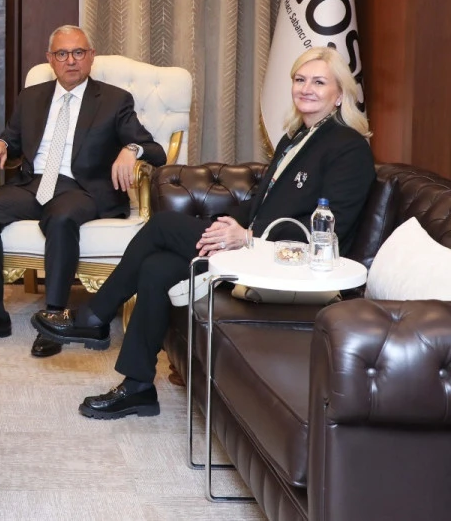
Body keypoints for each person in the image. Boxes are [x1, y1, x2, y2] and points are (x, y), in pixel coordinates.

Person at [35, 46, 375, 420]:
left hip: (287, 269)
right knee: (156, 268)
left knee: (163, 224)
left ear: (339, 94)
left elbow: (330, 231)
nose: (306, 88)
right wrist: (227, 227)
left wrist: (248, 238)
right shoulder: (294, 138)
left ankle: (95, 317)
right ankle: (137, 387)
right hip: (254, 250)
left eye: (319, 82)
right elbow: (260, 206)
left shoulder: (348, 147)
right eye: (300, 79)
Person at [0, 25, 166, 357]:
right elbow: (12, 139)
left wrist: (131, 149)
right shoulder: (31, 97)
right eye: (62, 53)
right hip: (34, 184)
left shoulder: (114, 100)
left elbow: (156, 150)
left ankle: (54, 318)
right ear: (50, 59)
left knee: (60, 218)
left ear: (91, 57)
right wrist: (0, 142)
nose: (70, 60)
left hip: (83, 188)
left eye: (78, 52)